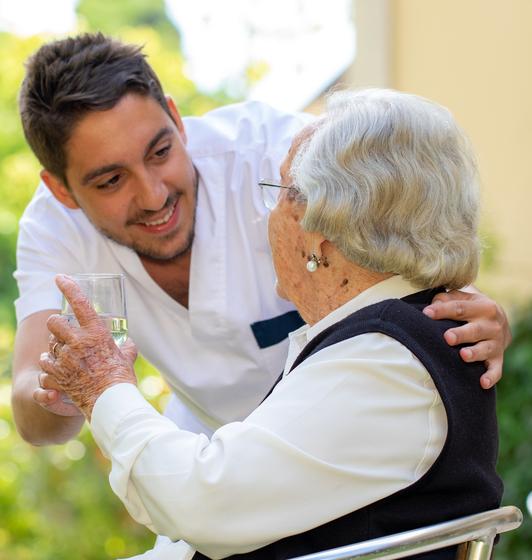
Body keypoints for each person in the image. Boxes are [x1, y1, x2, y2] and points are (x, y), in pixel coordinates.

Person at [39, 88, 503, 560]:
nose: (266, 216)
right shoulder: (383, 345)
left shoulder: (386, 362)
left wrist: (104, 386)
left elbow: (199, 501)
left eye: (278, 194)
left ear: (319, 234)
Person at [12, 32, 511, 446]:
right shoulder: (54, 232)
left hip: (344, 438)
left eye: (160, 151)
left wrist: (475, 313)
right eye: (110, 181)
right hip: (214, 450)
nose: (153, 194)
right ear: (61, 189)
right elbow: (31, 410)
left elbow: (413, 245)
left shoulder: (280, 160)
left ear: (176, 118)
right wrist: (63, 390)